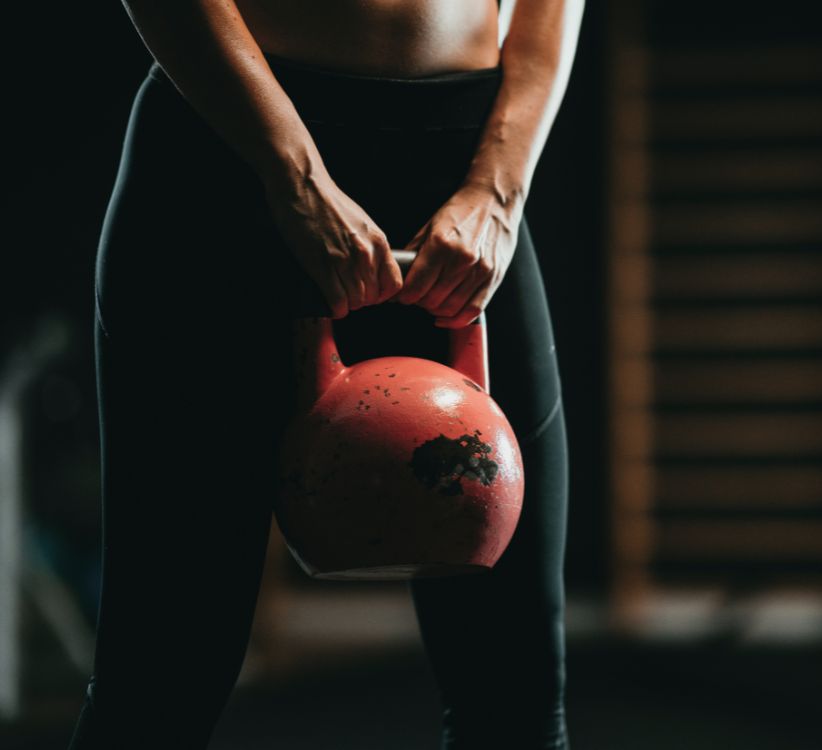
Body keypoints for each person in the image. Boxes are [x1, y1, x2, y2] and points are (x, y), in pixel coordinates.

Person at [67, 0, 584, 748]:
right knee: (159, 684)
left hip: (466, 182)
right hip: (229, 157)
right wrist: (293, 172)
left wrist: (499, 190)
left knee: (514, 696)